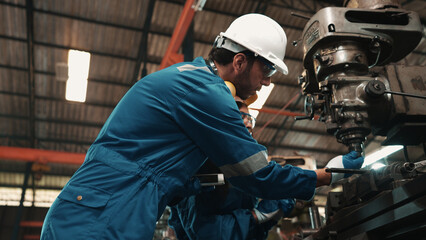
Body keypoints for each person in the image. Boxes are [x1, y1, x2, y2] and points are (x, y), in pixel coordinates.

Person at [41, 13, 363, 240]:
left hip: (106, 209)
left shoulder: (192, 81)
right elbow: (256, 175)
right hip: (102, 216)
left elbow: (197, 179)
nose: (266, 82)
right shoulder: (205, 92)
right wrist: (323, 177)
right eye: (265, 70)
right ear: (239, 62)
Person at [168, 97, 296, 240]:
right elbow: (205, 232)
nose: (248, 124)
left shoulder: (244, 167)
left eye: (249, 119)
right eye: (241, 117)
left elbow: (249, 231)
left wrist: (268, 217)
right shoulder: (199, 166)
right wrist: (255, 216)